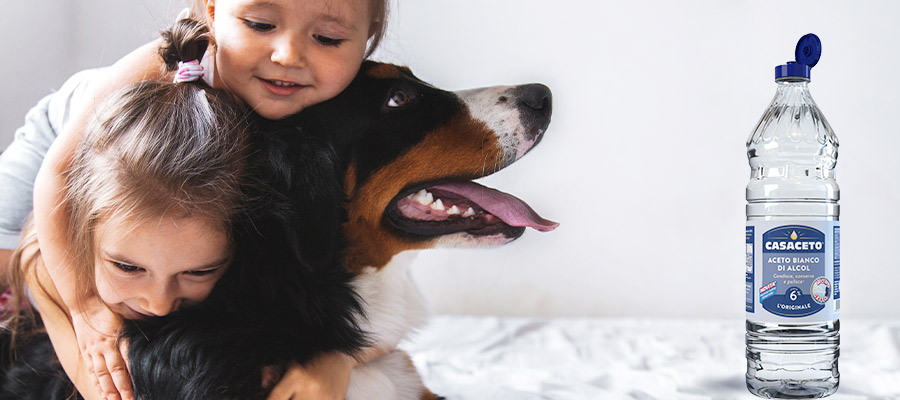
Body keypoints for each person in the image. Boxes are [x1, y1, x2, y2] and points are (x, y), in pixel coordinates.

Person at [0, 1, 391, 399]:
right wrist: (82, 309)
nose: (287, 56)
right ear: (212, 11)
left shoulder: (341, 122)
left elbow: (386, 296)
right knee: (20, 259)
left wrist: (336, 358)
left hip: (198, 181)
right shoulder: (157, 65)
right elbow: (56, 176)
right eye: (259, 24)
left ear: (368, 39)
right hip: (70, 143)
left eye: (328, 38)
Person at [2, 21, 250, 400]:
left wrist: (333, 363)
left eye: (200, 271)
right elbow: (37, 251)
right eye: (128, 267)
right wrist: (79, 306)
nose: (160, 304)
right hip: (66, 129)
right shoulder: (68, 197)